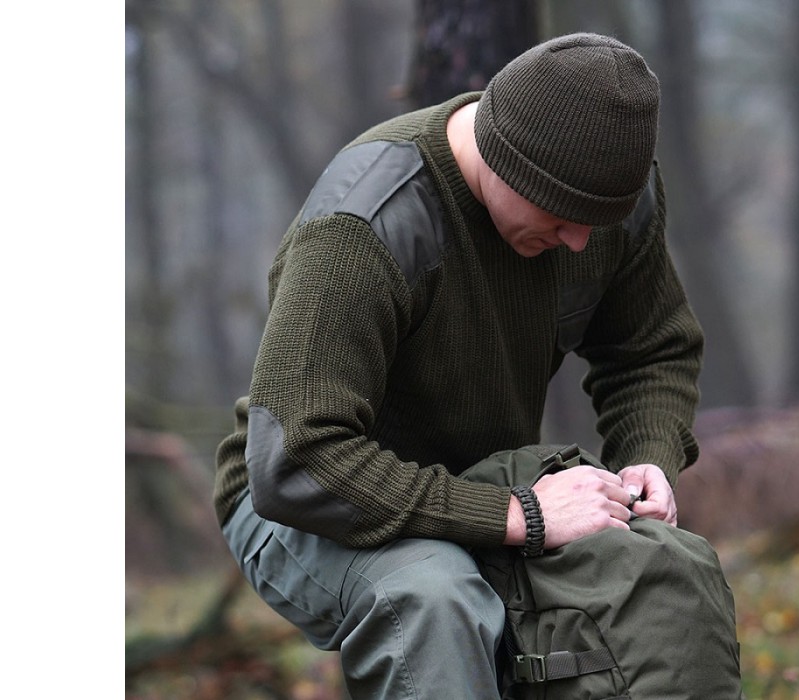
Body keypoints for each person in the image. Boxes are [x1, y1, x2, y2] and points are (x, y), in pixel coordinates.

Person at [214, 32, 704, 699]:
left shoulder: (601, 195)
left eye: (598, 221)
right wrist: (518, 515)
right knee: (435, 597)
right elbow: (297, 461)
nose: (580, 241)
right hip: (309, 497)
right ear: (504, 159)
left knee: (656, 575)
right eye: (562, 217)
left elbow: (651, 348)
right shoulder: (365, 226)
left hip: (489, 484)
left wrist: (649, 457)